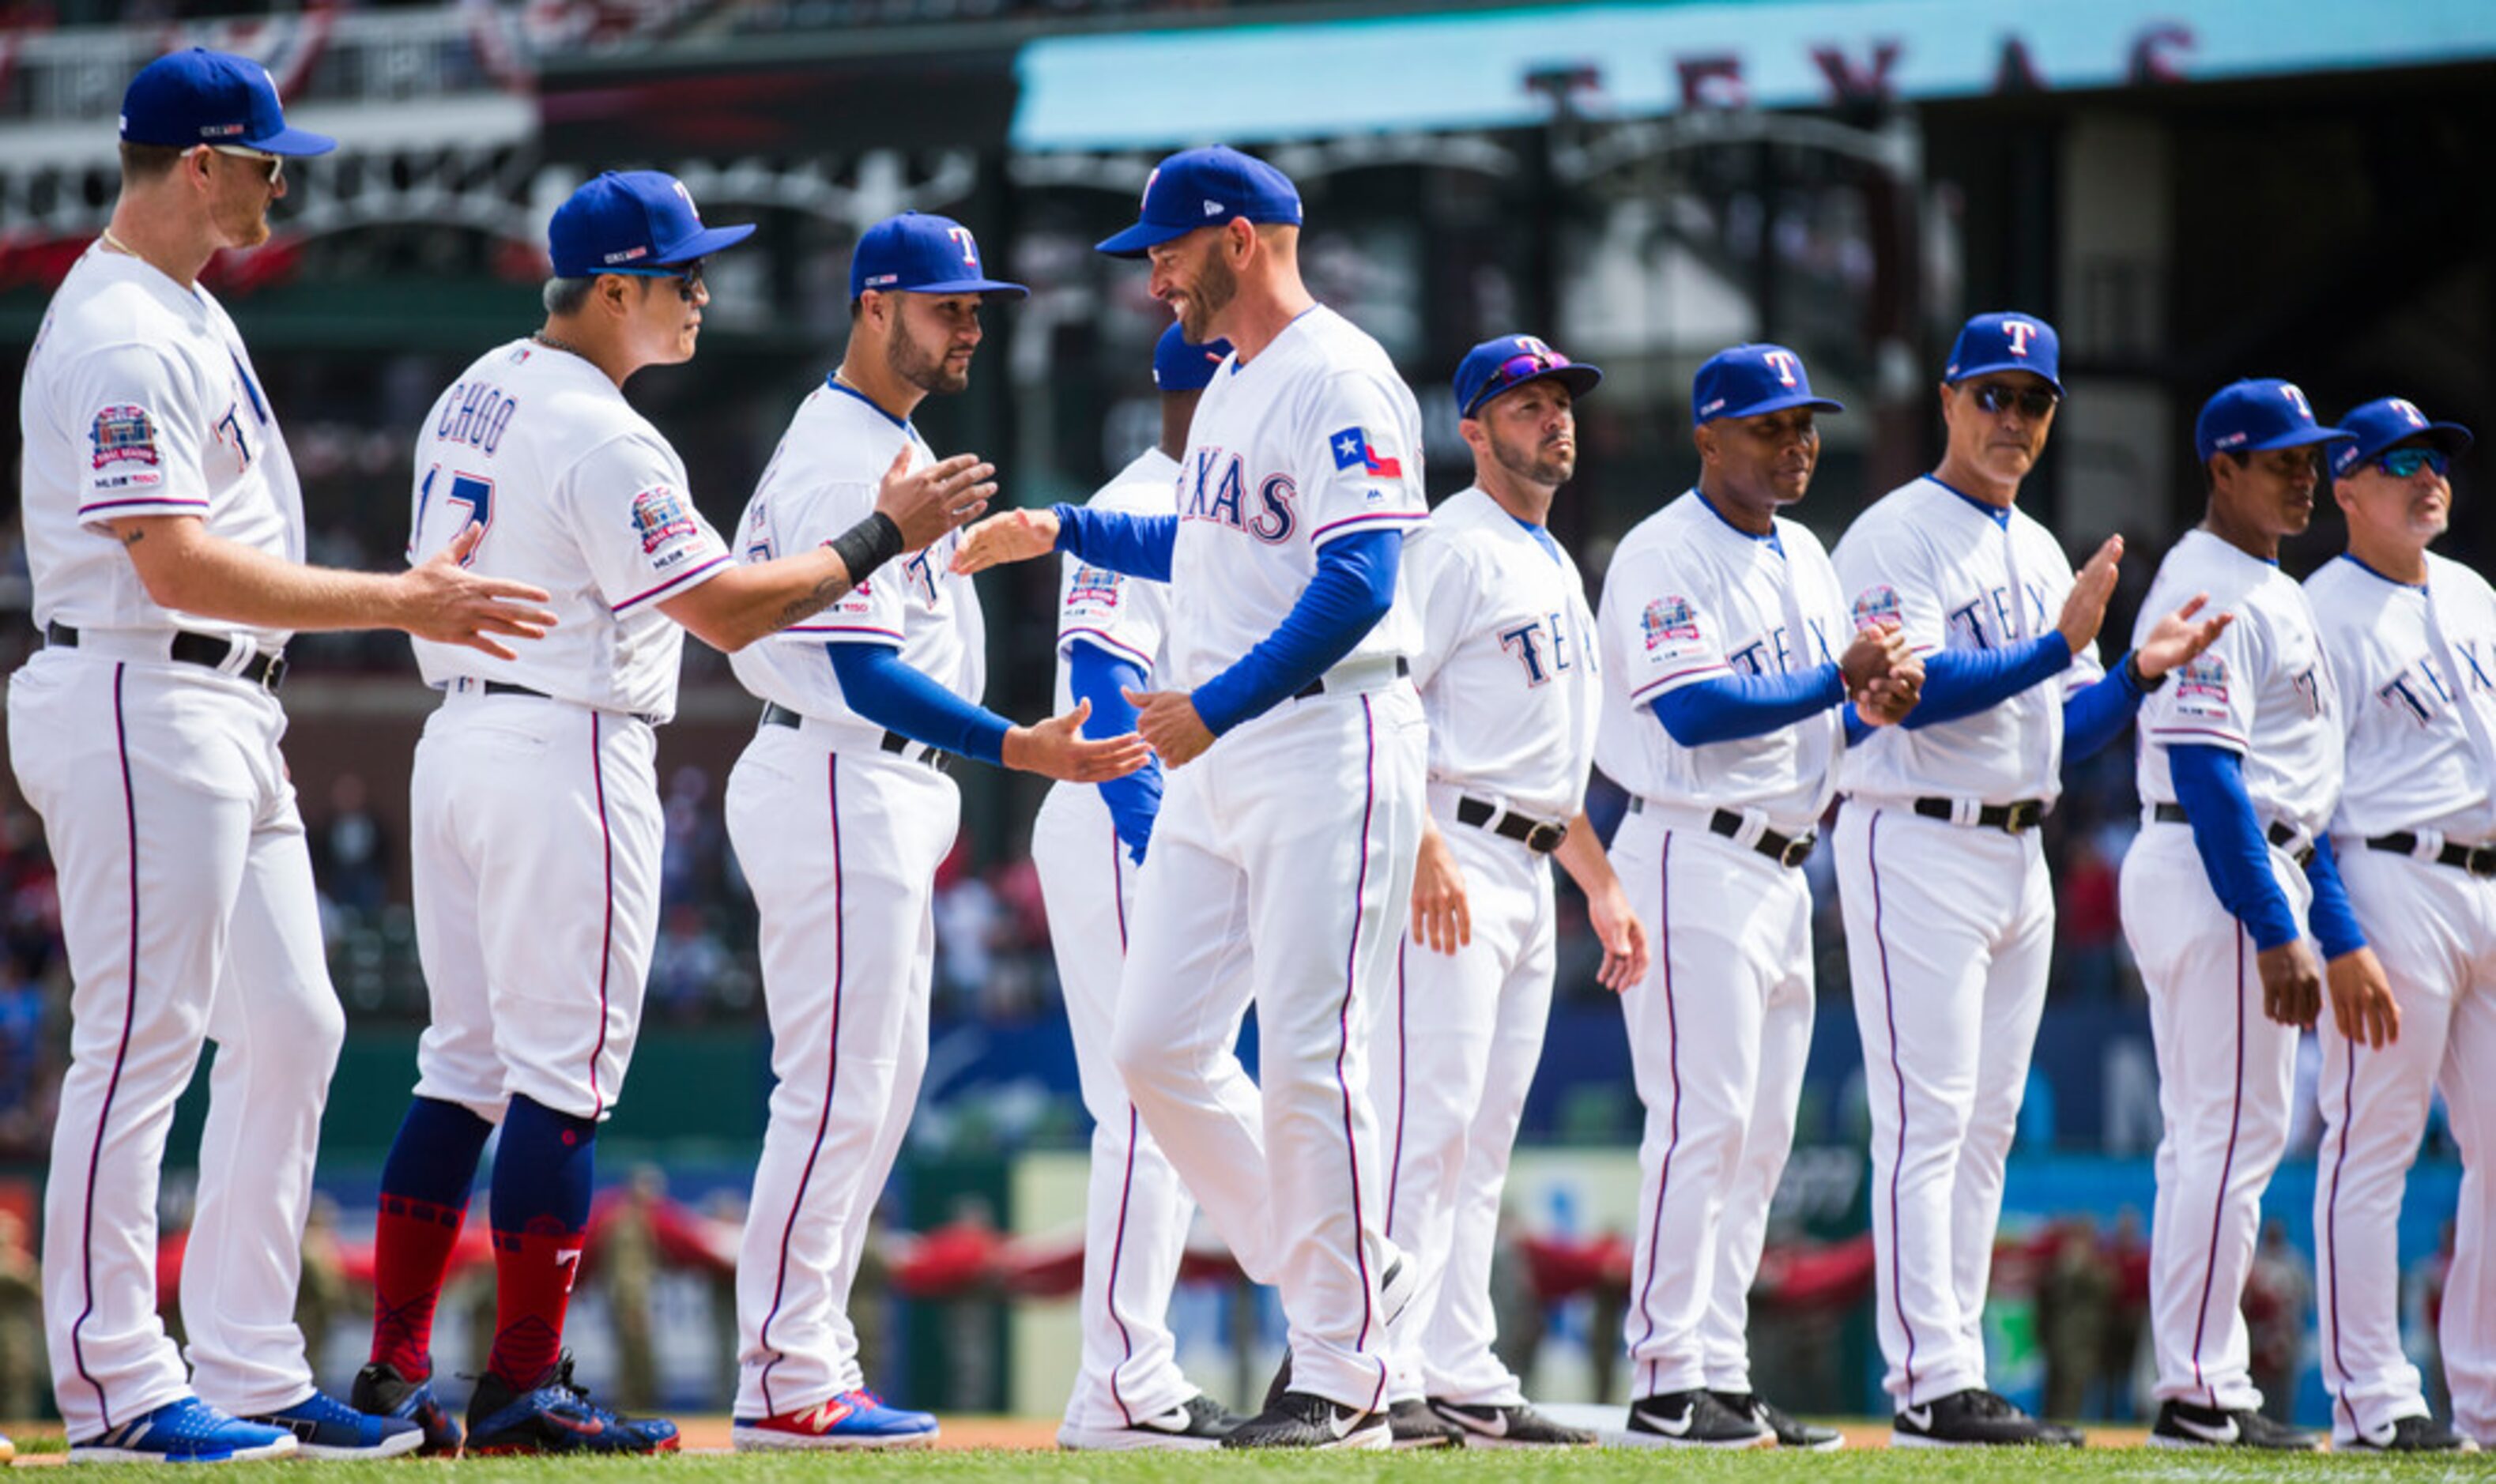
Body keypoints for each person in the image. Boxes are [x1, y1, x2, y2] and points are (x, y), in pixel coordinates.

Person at [353, 174, 997, 1458]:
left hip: (460, 737)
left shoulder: (475, 381)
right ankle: (525, 1382)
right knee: (562, 1081)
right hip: (565, 739)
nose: (704, 292)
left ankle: (393, 1371)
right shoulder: (605, 432)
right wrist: (887, 532)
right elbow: (725, 613)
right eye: (682, 273)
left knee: (461, 1067)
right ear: (612, 290)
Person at [9, 48, 560, 1465]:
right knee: (138, 1048)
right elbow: (178, 562)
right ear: (200, 163)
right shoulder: (126, 327)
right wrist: (400, 598)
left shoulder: (184, 307)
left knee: (297, 1023)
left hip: (220, 708)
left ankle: (249, 1363)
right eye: (262, 159)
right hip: (142, 690)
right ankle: (116, 1383)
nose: (280, 180)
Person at [956, 144, 1431, 1450]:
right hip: (1226, 749)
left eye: (1162, 249)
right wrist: (1065, 528)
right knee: (1154, 1045)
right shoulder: (1228, 383)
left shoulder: (1338, 371)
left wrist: (1213, 707)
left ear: (1234, 237)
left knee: (1312, 1059)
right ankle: (1344, 1267)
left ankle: (1343, 1377)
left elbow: (1361, 581)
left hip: (1324, 735)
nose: (1149, 275)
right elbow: (1207, 541)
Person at [723, 211, 1148, 1451]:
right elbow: (856, 673)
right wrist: (1021, 746)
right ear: (873, 305)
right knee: (838, 1089)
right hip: (837, 773)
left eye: (977, 308)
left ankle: (807, 1354)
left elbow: (884, 619)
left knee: (875, 1085)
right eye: (946, 305)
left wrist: (961, 556)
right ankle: (783, 1368)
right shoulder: (837, 455)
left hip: (868, 787)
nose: (970, 325)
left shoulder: (885, 440)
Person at [1827, 311, 2226, 1447]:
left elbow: (2067, 731)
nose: (2010, 418)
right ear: (1949, 400)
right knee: (1926, 1116)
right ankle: (1927, 1380)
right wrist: (2057, 647)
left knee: (1988, 1123)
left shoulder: (2039, 548)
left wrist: (2136, 675)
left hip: (2016, 845)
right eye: (1991, 394)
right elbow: (1909, 690)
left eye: (2032, 401)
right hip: (1911, 833)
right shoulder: (1892, 532)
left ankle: (1959, 1364)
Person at [1598, 343, 1919, 1449]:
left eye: (1803, 425)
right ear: (1707, 434)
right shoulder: (1659, 551)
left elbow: (1809, 721)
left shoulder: (1806, 554)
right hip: (1688, 851)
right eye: (1768, 426)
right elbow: (1690, 711)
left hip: (1782, 865)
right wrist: (1836, 677)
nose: (1795, 445)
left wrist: (1863, 709)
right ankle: (1660, 1374)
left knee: (1759, 1136)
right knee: (1702, 1118)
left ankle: (1717, 1368)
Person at [1371, 333, 1644, 1451]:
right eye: (1524, 404)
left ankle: (1458, 1368)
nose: (1552, 418)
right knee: (1419, 1126)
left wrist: (1602, 884)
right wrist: (1421, 841)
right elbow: (1384, 698)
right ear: (1472, 428)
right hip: (1455, 859)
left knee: (1481, 1138)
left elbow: (1545, 769)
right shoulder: (1450, 543)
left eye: (1560, 401)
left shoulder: (1549, 560)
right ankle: (1373, 1367)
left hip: (1527, 862)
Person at [2120, 378, 2396, 1452]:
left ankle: (2202, 1377)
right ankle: (2198, 1389)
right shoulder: (2206, 581)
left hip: (2241, 860)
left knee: (2217, 1137)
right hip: (2212, 862)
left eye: (2309, 456)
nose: (2302, 474)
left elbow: (2293, 798)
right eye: (2277, 457)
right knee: (2224, 1139)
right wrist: (2274, 928)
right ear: (2220, 467)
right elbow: (2208, 773)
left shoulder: (2263, 584)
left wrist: (2325, 927)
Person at [1034, 322, 1250, 1452]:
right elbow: (1104, 692)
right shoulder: (1143, 495)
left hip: (1181, 822)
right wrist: (1156, 843)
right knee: (1145, 1100)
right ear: (1211, 381)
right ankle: (1122, 1383)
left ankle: (1126, 1376)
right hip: (1124, 817)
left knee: (1166, 1094)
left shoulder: (1222, 503)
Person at [2305, 395, 2489, 1452]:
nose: (2427, 477)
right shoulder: (2316, 610)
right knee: (2369, 1146)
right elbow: (2303, 799)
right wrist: (2337, 934)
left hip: (2487, 882)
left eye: (2437, 460)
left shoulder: (2473, 595)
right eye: (2398, 461)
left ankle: (2487, 1397)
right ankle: (2371, 1397)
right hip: (2387, 876)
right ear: (2345, 487)